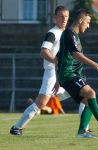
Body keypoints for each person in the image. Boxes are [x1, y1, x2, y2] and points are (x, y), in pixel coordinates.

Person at [10, 6, 69, 136]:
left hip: (64, 73)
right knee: (41, 103)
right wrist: (56, 62)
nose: (64, 19)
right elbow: (43, 51)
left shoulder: (66, 33)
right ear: (55, 18)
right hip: (53, 73)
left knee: (84, 95)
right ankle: (17, 127)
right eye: (61, 16)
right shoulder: (53, 33)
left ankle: (84, 129)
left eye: (66, 16)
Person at [57, 8, 98, 138]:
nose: (88, 26)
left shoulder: (74, 36)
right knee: (91, 93)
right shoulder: (69, 34)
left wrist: (57, 80)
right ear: (81, 19)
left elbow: (59, 57)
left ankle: (82, 131)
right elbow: (75, 54)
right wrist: (95, 64)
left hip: (72, 75)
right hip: (69, 75)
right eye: (88, 22)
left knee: (88, 100)